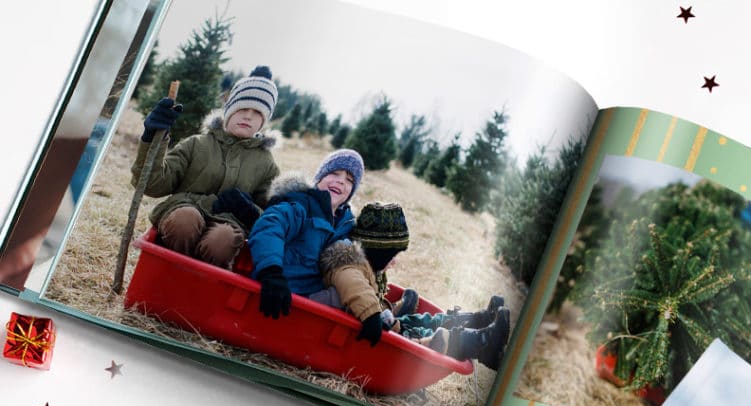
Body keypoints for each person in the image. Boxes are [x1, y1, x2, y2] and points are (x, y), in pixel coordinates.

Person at [314, 201, 511, 368]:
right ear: (377, 250)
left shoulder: (361, 265)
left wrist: (384, 315)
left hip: (384, 326)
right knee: (438, 338)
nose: (394, 261)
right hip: (372, 340)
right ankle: (483, 344)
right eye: (392, 255)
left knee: (421, 322)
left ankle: (477, 320)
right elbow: (353, 284)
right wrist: (373, 314)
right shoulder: (346, 265)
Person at [132, 66, 280, 268]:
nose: (248, 116)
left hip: (228, 223)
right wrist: (152, 139)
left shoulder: (266, 164)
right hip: (184, 210)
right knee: (185, 220)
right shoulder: (197, 144)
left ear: (263, 121)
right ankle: (167, 273)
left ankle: (199, 287)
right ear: (229, 110)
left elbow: (272, 216)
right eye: (243, 109)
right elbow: (153, 184)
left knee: (223, 240)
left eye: (257, 113)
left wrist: (250, 210)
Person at [246, 148, 364, 320]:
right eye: (335, 173)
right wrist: (271, 272)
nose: (340, 181)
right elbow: (271, 227)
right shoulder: (301, 205)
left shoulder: (346, 225)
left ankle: (386, 316)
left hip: (312, 302)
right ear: (320, 178)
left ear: (351, 192)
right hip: (278, 290)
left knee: (348, 292)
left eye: (349, 180)